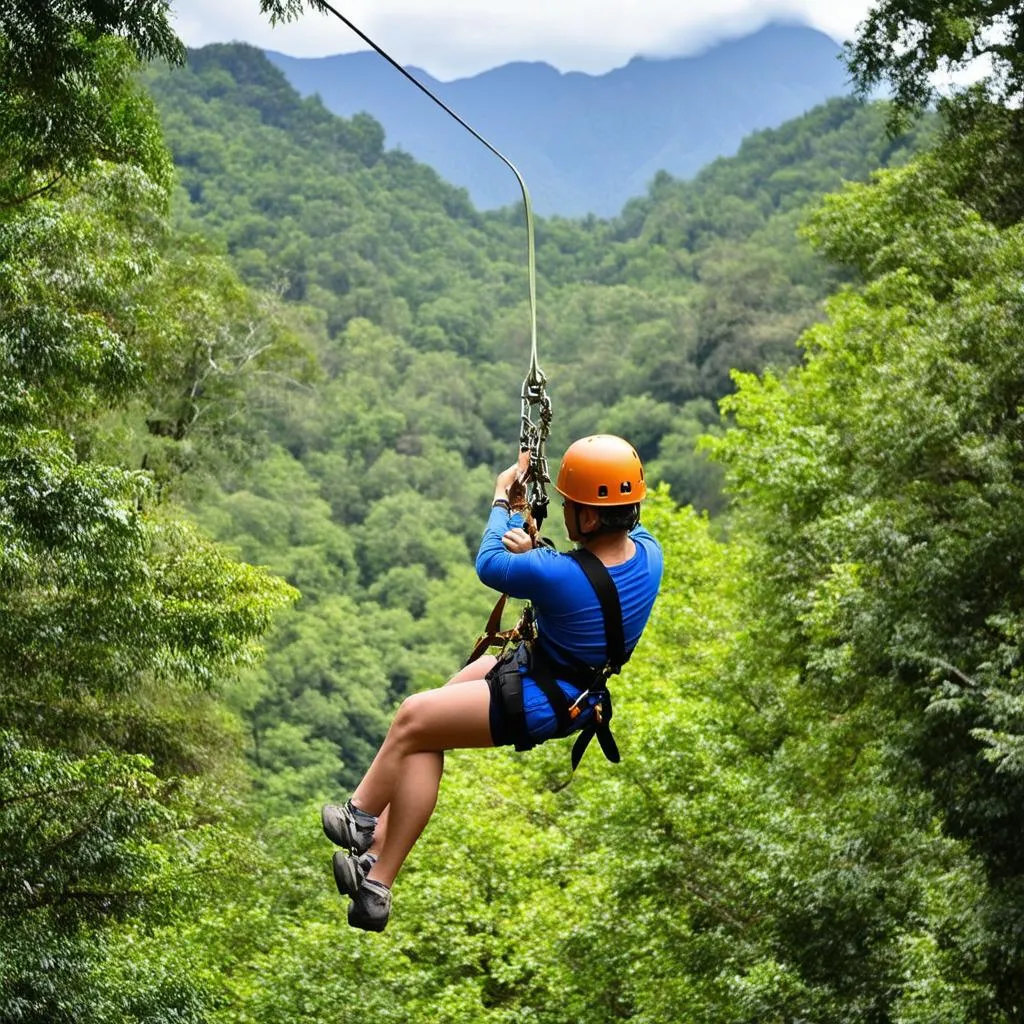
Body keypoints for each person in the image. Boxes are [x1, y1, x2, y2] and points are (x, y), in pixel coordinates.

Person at [321, 434, 663, 931]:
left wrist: (505, 497)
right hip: (560, 680)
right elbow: (588, 575)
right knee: (426, 729)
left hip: (540, 695)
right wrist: (538, 553)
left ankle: (360, 817)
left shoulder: (556, 573)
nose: (567, 511)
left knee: (413, 716)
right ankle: (375, 880)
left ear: (588, 518)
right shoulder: (649, 555)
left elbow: (491, 565)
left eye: (571, 505)